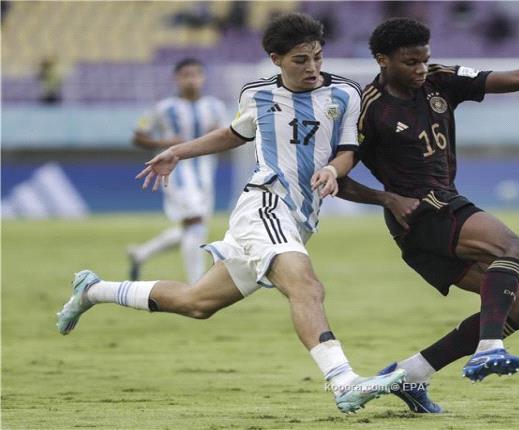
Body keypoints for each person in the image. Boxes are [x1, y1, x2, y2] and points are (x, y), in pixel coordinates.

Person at [56, 12, 405, 414]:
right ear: (276, 59)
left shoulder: (344, 93)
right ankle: (344, 382)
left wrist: (332, 170)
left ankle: (93, 290)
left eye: (317, 57)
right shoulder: (257, 94)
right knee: (306, 287)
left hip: (301, 218)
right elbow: (234, 133)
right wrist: (177, 151)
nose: (312, 67)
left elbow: (347, 151)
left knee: (197, 302)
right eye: (300, 60)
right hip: (265, 204)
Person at [337, 17, 519, 413]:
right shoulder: (367, 109)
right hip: (421, 214)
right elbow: (336, 177)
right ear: (383, 60)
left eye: (424, 59)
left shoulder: (440, 80)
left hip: (441, 211)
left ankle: (411, 374)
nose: (421, 69)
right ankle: (489, 347)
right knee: (515, 248)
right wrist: (386, 199)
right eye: (411, 62)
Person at [128, 58, 228, 284]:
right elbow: (138, 136)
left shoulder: (216, 107)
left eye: (196, 74)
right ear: (177, 79)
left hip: (205, 172)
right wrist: (165, 143)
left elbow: (228, 135)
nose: (191, 80)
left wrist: (218, 133)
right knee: (195, 222)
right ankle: (197, 285)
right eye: (186, 75)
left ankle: (141, 253)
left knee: (194, 227)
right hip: (176, 172)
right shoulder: (163, 108)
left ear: (203, 78)